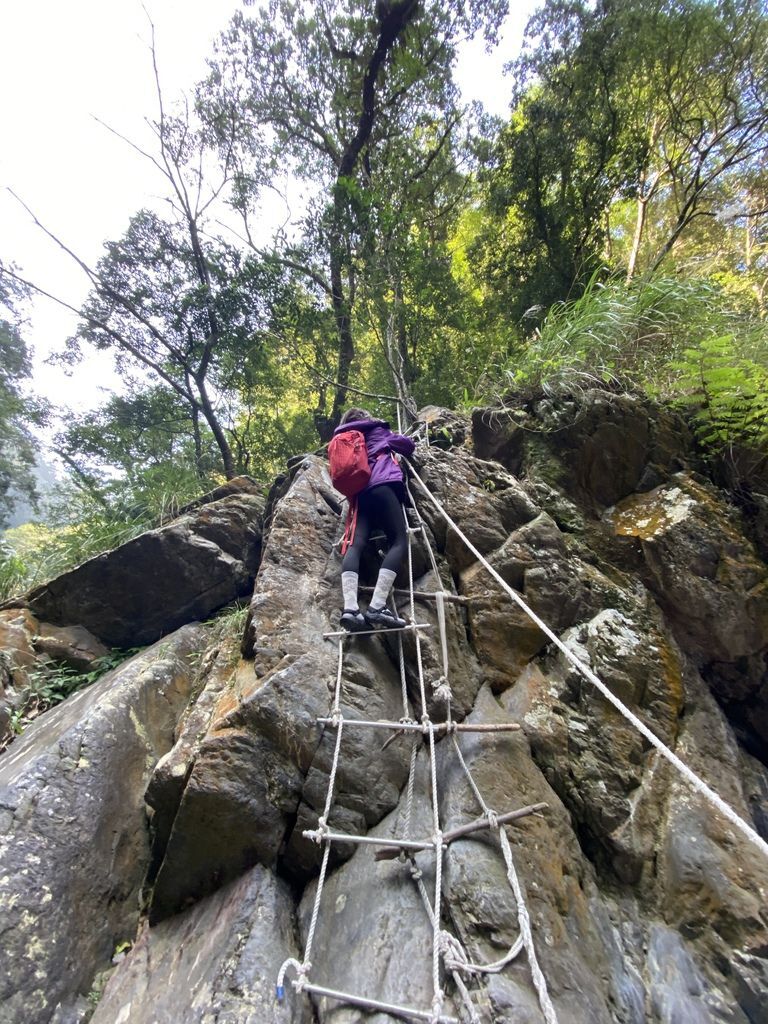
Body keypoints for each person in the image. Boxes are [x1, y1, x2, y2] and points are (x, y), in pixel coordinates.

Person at [334, 407, 416, 631]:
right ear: (365, 418)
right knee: (399, 540)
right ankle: (377, 606)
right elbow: (408, 446)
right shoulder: (376, 430)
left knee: (355, 545)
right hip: (382, 486)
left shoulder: (342, 438)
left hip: (359, 496)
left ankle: (350, 609)